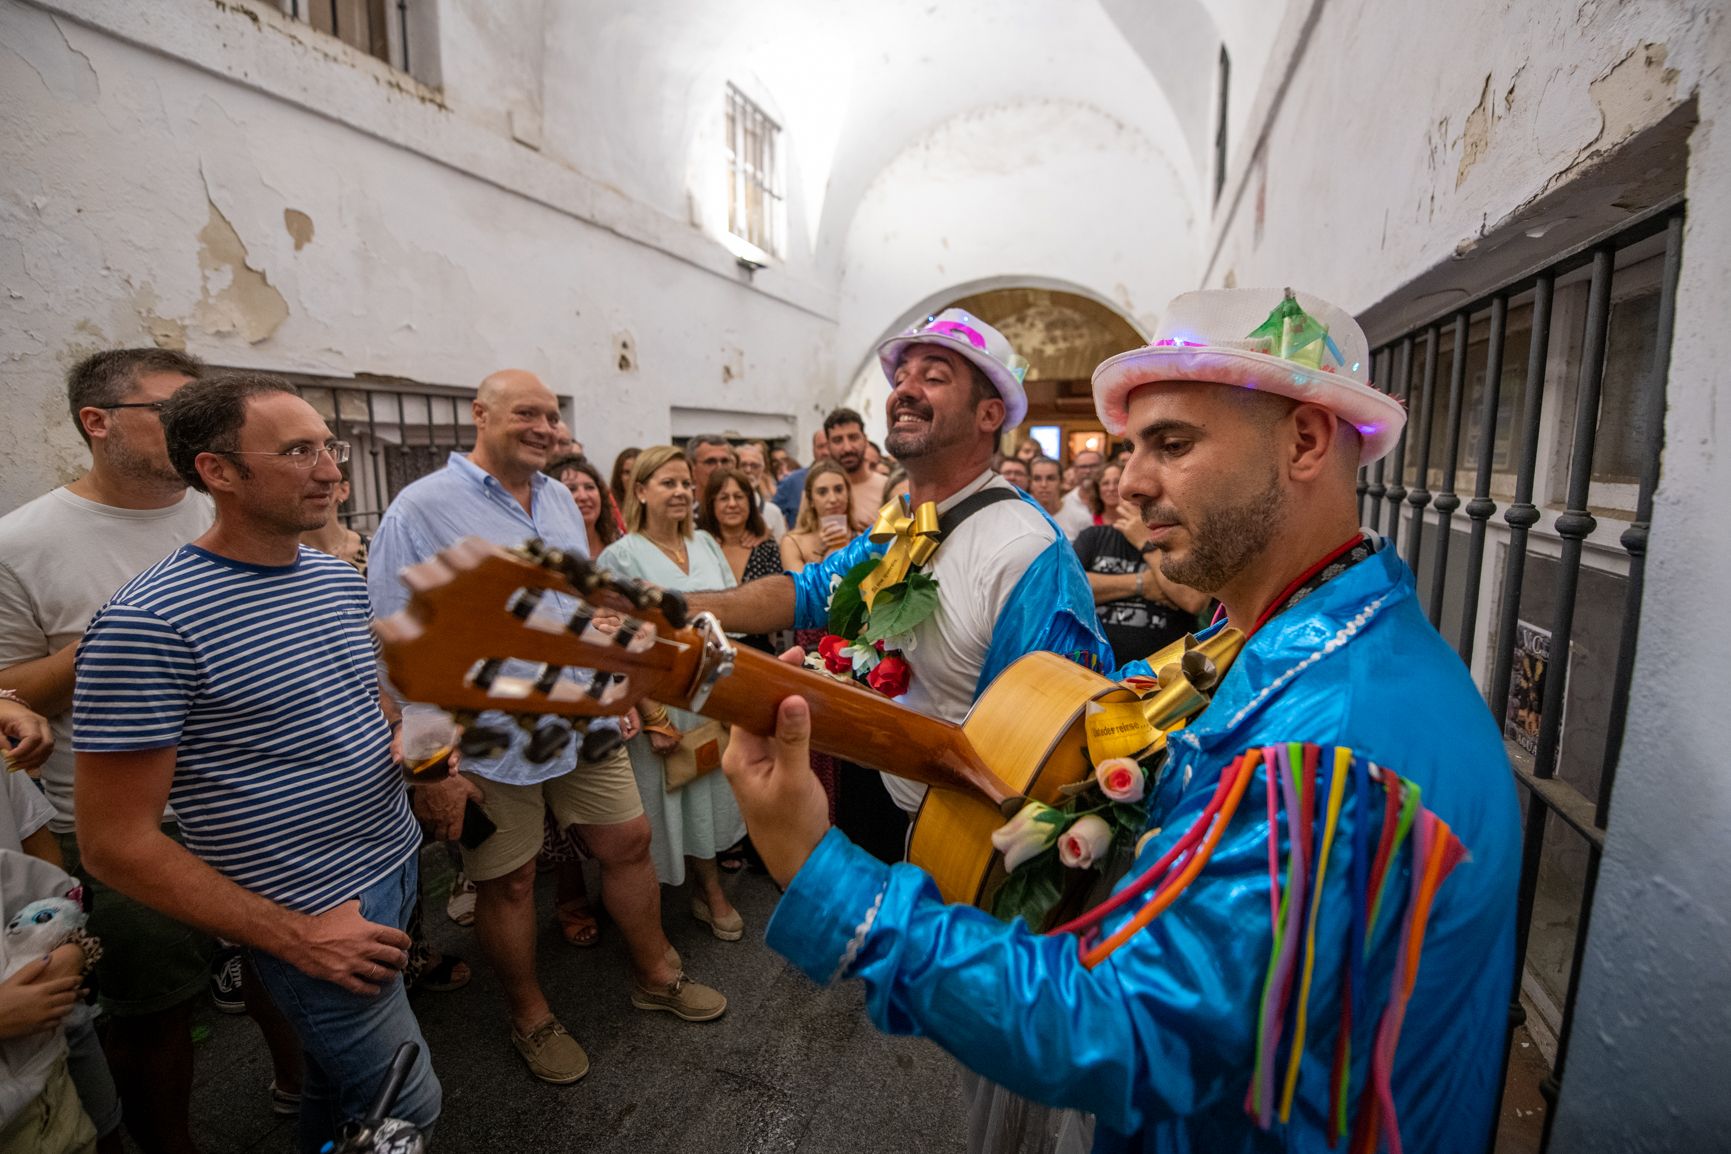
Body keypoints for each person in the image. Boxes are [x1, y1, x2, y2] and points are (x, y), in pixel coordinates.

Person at [722, 287, 1521, 1153]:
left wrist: (819, 870)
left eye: (1172, 445)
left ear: (1304, 442)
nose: (1130, 484)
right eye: (1131, 448)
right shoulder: (1263, 633)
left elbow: (1126, 1027)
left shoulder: (1331, 742)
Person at [72, 373, 441, 1153]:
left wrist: (420, 750)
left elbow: (364, 699)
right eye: (299, 451)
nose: (331, 470)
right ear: (219, 471)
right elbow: (113, 843)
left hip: (394, 864)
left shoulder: (332, 577)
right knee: (406, 1102)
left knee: (336, 1088)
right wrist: (296, 937)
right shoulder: (147, 623)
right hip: (312, 911)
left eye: (329, 447)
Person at [369, 373, 725, 1085]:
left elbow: (580, 605)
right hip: (488, 738)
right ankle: (530, 1017)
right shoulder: (420, 508)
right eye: (526, 413)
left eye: (553, 417)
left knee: (629, 842)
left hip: (581, 716)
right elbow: (395, 647)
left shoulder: (559, 497)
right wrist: (430, 769)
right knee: (508, 882)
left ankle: (656, 974)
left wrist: (613, 684)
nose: (545, 428)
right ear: (480, 414)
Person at [0, 348, 253, 1153]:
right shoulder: (21, 542)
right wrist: (120, 637)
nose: (196, 431)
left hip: (249, 796)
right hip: (127, 823)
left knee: (280, 969)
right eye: (171, 412)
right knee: (155, 1014)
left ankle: (301, 1095)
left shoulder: (223, 507)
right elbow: (8, 696)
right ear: (97, 423)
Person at [597, 448, 748, 941]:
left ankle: (709, 889)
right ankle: (652, 919)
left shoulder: (705, 543)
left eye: (686, 483)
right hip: (659, 704)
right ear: (640, 491)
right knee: (665, 806)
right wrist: (653, 715)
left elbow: (730, 622)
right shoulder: (620, 556)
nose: (682, 492)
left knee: (708, 798)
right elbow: (616, 645)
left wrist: (731, 699)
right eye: (669, 483)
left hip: (710, 697)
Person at [1073, 463, 1208, 663]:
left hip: (1165, 670)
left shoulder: (1182, 538)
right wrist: (1143, 584)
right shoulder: (1093, 536)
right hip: (1097, 667)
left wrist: (1146, 543)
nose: (1137, 496)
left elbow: (1193, 599)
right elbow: (1073, 589)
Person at [778, 460, 858, 572]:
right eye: (822, 492)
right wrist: (821, 552)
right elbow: (802, 583)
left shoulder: (860, 539)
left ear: (848, 493)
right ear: (811, 500)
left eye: (838, 490)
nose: (833, 499)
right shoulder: (792, 543)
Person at [822, 408, 888, 527]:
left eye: (853, 438)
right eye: (837, 440)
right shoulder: (818, 491)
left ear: (865, 440)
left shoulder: (886, 488)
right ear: (828, 446)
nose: (847, 448)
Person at [771, 427, 831, 526]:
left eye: (829, 446)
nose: (825, 452)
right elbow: (770, 516)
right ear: (813, 449)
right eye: (820, 447)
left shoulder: (849, 479)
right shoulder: (792, 481)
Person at [733, 441, 787, 539]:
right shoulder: (725, 508)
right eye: (743, 465)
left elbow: (781, 546)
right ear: (734, 467)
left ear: (763, 470)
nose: (748, 470)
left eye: (754, 466)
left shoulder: (773, 512)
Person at [608, 447, 641, 529]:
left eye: (636, 471)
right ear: (618, 476)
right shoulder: (608, 506)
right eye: (627, 472)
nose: (632, 477)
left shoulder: (656, 505)